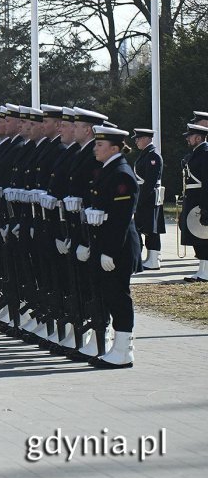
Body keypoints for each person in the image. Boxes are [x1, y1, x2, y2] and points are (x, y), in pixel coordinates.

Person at [83, 125, 140, 367]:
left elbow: (121, 219)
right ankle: (112, 346)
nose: (95, 148)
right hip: (105, 244)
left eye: (99, 145)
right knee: (108, 294)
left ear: (114, 148)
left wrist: (110, 251)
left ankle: (124, 350)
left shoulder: (121, 175)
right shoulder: (108, 170)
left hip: (118, 248)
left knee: (118, 296)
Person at [131, 128, 164, 270]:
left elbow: (150, 182)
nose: (136, 141)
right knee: (147, 227)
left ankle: (153, 259)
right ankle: (150, 258)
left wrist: (140, 200)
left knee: (151, 229)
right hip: (144, 195)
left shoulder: (153, 156)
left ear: (146, 139)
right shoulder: (146, 154)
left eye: (138, 138)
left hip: (148, 197)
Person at [181, 122, 208, 282]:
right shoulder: (197, 153)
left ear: (198, 137)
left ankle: (206, 271)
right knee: (197, 237)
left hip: (200, 198)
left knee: (204, 237)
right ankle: (201, 270)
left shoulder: (205, 153)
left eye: (190, 136)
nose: (188, 139)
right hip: (193, 198)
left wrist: (205, 207)